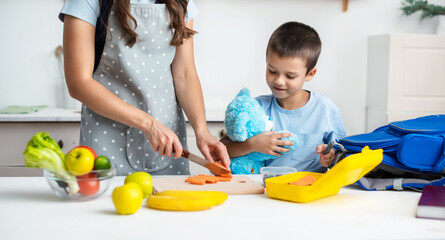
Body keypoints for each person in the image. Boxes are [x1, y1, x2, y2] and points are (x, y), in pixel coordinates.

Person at [59, 0, 229, 176]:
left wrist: (202, 131)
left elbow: (185, 75)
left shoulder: (181, 2)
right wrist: (148, 124)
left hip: (164, 144)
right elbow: (79, 82)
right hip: (107, 139)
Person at [221, 21, 346, 173]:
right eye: (272, 71)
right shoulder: (257, 107)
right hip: (265, 191)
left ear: (310, 74)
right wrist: (252, 144)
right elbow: (222, 149)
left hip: (310, 191)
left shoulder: (325, 109)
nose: (279, 80)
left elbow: (343, 154)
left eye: (290, 76)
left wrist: (331, 156)